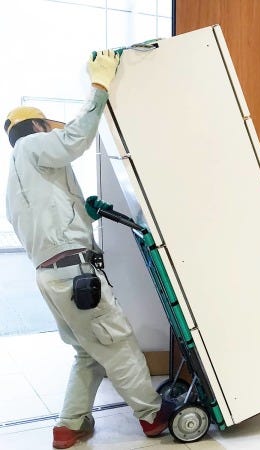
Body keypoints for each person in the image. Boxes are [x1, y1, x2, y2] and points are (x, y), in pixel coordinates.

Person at [4, 50, 173, 449]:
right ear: (37, 127)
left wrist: (85, 212)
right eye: (48, 128)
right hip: (74, 274)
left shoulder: (18, 182)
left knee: (88, 352)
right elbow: (74, 139)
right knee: (119, 342)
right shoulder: (32, 146)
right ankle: (152, 416)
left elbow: (52, 225)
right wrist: (99, 86)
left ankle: (69, 425)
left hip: (52, 277)